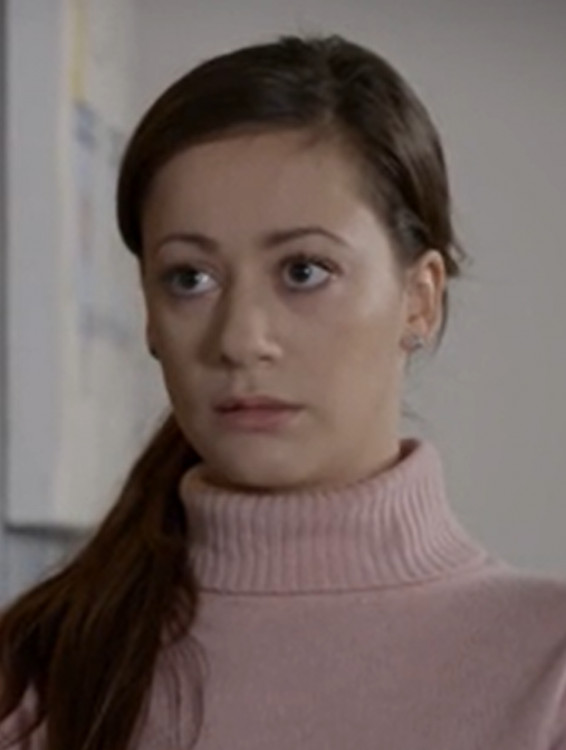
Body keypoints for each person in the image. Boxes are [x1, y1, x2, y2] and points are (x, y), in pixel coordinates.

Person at [1, 32, 566, 750]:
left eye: (304, 271)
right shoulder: (42, 668)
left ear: (420, 299)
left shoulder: (548, 674)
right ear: (148, 315)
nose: (240, 338)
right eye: (190, 278)